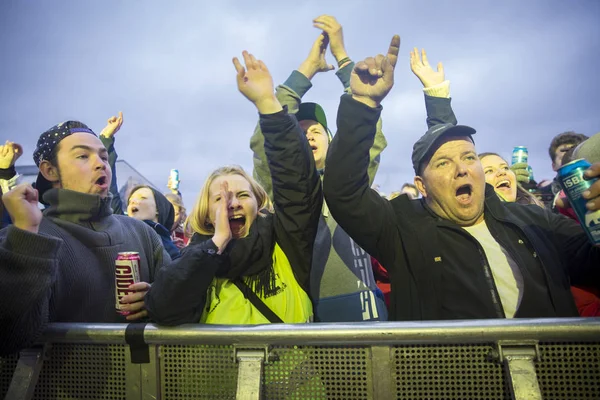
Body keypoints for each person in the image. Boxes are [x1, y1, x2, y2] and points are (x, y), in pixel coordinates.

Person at [323, 35, 600, 320]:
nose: (462, 169)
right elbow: (344, 191)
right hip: (452, 366)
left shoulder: (535, 222)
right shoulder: (402, 229)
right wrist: (362, 105)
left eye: (469, 157)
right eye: (443, 163)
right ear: (422, 185)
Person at [145, 50, 322, 325]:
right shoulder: (195, 259)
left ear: (259, 203)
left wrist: (267, 101)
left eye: (242, 195)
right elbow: (163, 308)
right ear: (205, 213)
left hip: (295, 369)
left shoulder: (286, 241)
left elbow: (296, 181)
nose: (233, 203)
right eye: (220, 198)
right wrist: (216, 244)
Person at [250, 16, 388, 322]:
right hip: (303, 314)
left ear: (331, 140)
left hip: (362, 310)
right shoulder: (282, 190)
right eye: (300, 132)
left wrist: (343, 58)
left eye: (317, 130)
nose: (309, 135)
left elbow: (367, 131)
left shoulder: (355, 182)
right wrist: (307, 70)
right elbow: (266, 141)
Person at [0, 121, 170, 356]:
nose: (100, 163)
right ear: (49, 170)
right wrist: (26, 236)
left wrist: (157, 301)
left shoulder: (142, 233)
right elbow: (9, 337)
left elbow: (185, 309)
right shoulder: (27, 237)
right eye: (82, 156)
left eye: (103, 156)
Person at [128, 185, 180, 260]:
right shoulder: (121, 235)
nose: (133, 201)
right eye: (130, 200)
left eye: (142, 197)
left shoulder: (167, 247)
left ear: (158, 208)